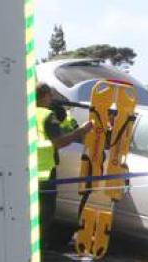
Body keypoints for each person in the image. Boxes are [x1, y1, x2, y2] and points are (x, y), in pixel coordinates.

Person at [36, 83, 91, 246]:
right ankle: (39, 253)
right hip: (44, 173)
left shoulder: (23, 112)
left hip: (23, 171)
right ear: (44, 96)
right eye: (51, 95)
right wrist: (81, 131)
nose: (52, 99)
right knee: (44, 215)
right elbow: (59, 142)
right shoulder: (46, 115)